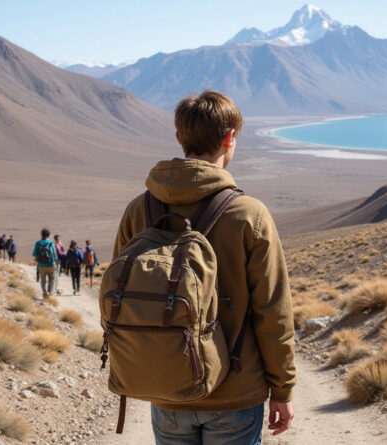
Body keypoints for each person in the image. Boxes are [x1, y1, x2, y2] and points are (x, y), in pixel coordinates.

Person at [111, 90, 295, 443]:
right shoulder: (249, 215)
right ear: (229, 139)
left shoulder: (139, 210)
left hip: (166, 388)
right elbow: (273, 311)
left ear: (180, 139)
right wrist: (283, 389)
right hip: (235, 393)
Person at [32, 228, 57, 298]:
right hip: (51, 264)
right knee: (52, 279)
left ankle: (44, 292)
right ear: (48, 235)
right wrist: (55, 260)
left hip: (41, 265)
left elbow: (34, 254)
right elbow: (53, 253)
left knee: (43, 279)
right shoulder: (51, 243)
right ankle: (50, 292)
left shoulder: (38, 243)